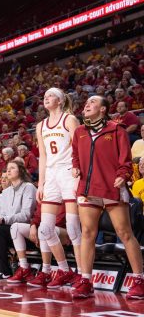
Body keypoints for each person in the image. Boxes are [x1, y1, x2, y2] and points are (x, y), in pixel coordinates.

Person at [71, 95, 144, 300]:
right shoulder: (80, 132)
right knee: (87, 233)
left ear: (103, 109)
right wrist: (76, 166)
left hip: (112, 186)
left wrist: (123, 175)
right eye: (86, 102)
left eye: (93, 102)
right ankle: (86, 281)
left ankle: (139, 279)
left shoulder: (116, 129)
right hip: (87, 187)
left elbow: (126, 160)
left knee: (125, 232)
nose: (87, 104)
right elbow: (75, 154)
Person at [33, 88, 82, 288]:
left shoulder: (70, 120)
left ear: (61, 101)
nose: (46, 97)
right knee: (45, 228)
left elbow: (80, 148)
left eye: (51, 95)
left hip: (69, 171)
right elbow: (43, 156)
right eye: (45, 95)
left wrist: (79, 173)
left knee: (72, 227)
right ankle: (64, 270)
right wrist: (41, 183)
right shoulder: (40, 125)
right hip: (51, 175)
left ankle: (82, 273)